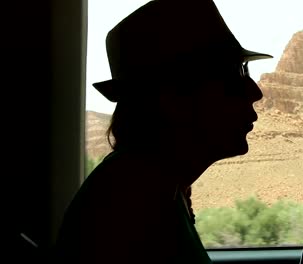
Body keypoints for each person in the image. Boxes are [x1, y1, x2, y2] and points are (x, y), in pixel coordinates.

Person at [53, 0, 272, 263]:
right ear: (172, 99)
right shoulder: (130, 202)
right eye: (234, 74)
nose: (255, 92)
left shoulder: (154, 185)